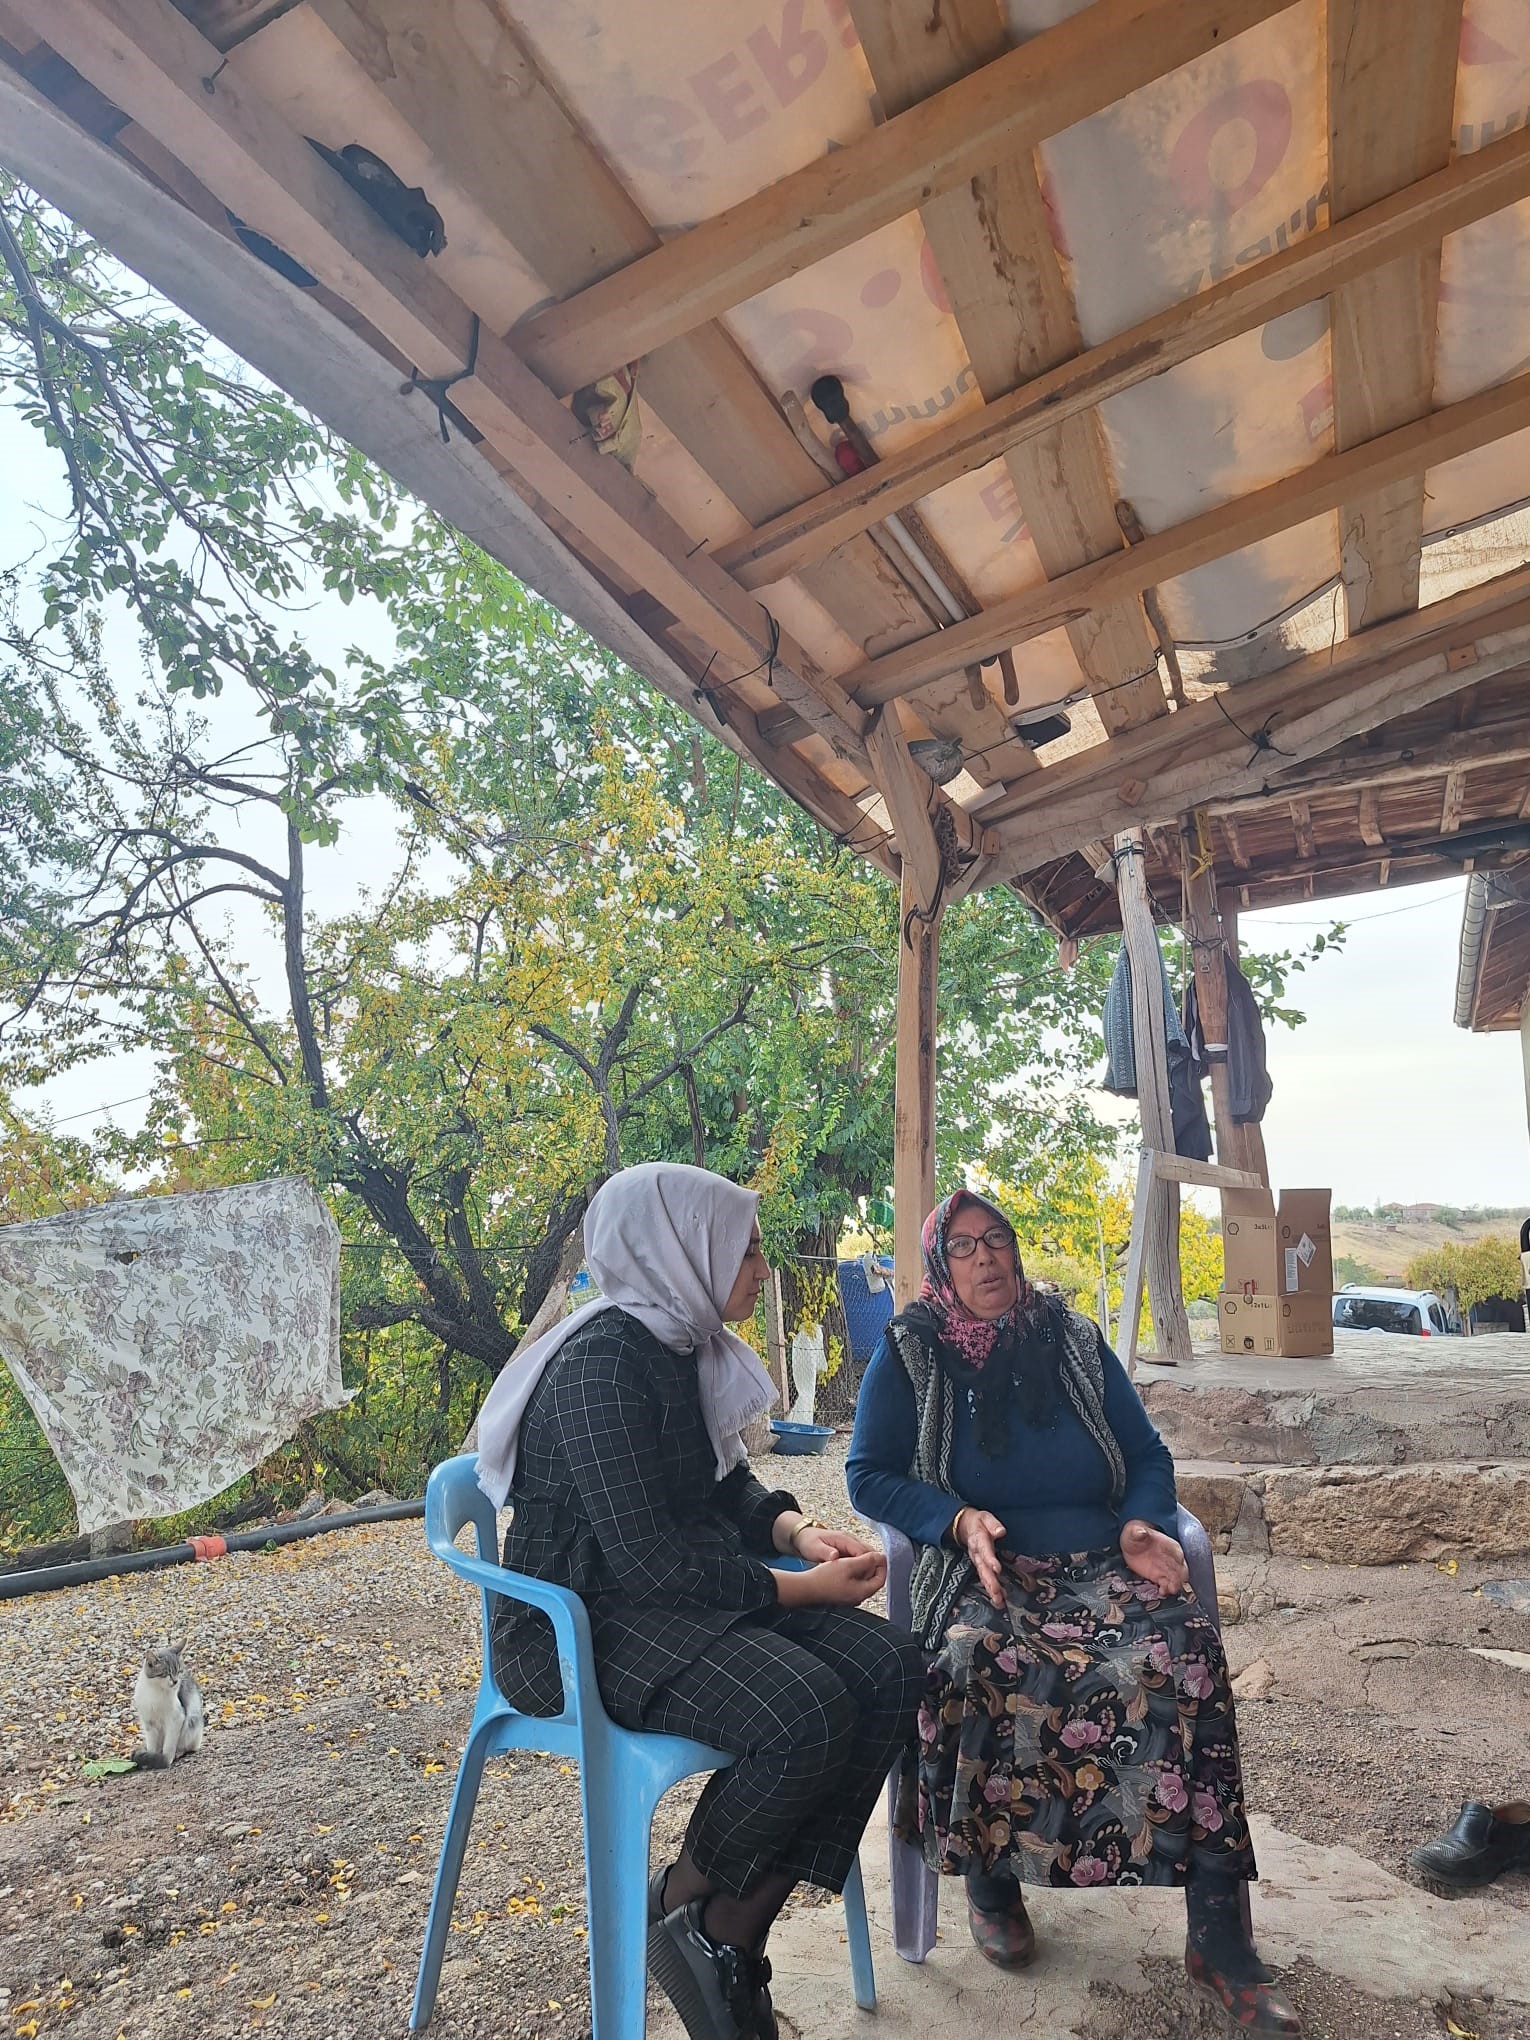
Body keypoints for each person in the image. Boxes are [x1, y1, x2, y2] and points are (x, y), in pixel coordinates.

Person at [474, 1163, 925, 2040]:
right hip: (575, 1622)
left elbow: (722, 1486)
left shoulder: (681, 1341)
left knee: (892, 1665)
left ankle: (722, 1928)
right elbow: (644, 1557)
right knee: (807, 1710)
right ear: (682, 1250)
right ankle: (686, 1904)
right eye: (746, 1249)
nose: (761, 1268)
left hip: (666, 1600)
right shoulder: (600, 1368)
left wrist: (796, 1533)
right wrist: (795, 1592)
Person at [846, 1188, 1300, 2036]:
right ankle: (991, 1880)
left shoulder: (1076, 1340)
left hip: (1101, 1558)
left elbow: (1145, 1454)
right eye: (966, 1248)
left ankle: (1217, 1933)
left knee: (1183, 1651)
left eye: (999, 1241)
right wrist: (953, 1518)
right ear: (941, 1265)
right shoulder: (909, 1352)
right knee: (972, 1661)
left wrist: (1140, 1523)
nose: (987, 1260)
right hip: (990, 1571)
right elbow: (868, 1475)